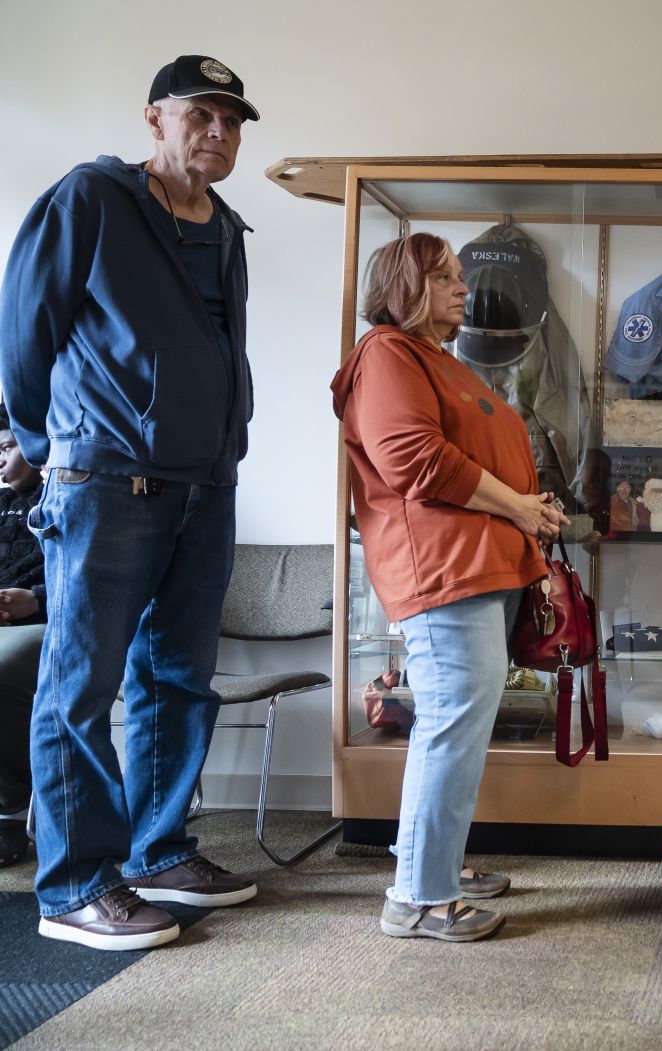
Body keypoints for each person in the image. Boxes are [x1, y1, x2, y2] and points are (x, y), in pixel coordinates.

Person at [0, 55, 262, 950]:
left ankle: (159, 851)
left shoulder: (225, 226)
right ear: (155, 119)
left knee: (180, 679)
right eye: (203, 116)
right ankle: (74, 885)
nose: (219, 134)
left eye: (232, 121)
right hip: (107, 482)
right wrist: (43, 448)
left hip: (205, 484)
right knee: (81, 686)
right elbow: (25, 326)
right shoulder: (92, 199)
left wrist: (227, 448)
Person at [330, 232, 570, 940]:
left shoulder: (438, 358)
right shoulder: (387, 354)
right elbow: (414, 458)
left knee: (458, 722)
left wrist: (531, 513)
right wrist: (520, 507)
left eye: (459, 277)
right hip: (443, 570)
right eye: (444, 278)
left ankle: (432, 859)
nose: (464, 289)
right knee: (451, 720)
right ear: (402, 287)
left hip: (478, 564)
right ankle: (418, 896)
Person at [0, 406, 46, 868]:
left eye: (7, 448)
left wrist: (36, 598)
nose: (0, 459)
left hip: (45, 623)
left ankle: (10, 811)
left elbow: (91, 577)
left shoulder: (65, 496)